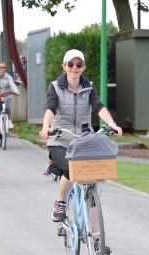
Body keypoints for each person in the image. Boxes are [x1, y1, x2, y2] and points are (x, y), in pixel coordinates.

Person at [38, 49, 122, 225]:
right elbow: (51, 109)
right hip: (60, 140)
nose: (74, 68)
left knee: (90, 178)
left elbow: (99, 107)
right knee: (73, 168)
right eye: (70, 64)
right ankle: (60, 202)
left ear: (83, 67)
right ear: (64, 66)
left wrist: (112, 124)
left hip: (84, 140)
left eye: (78, 64)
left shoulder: (89, 86)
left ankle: (97, 238)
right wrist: (46, 127)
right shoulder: (55, 87)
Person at [0, 61, 20, 143]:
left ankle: (9, 120)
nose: (2, 69)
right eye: (0, 67)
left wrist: (16, 91)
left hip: (6, 96)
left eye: (4, 67)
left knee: (8, 108)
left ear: (5, 68)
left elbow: (13, 85)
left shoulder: (8, 77)